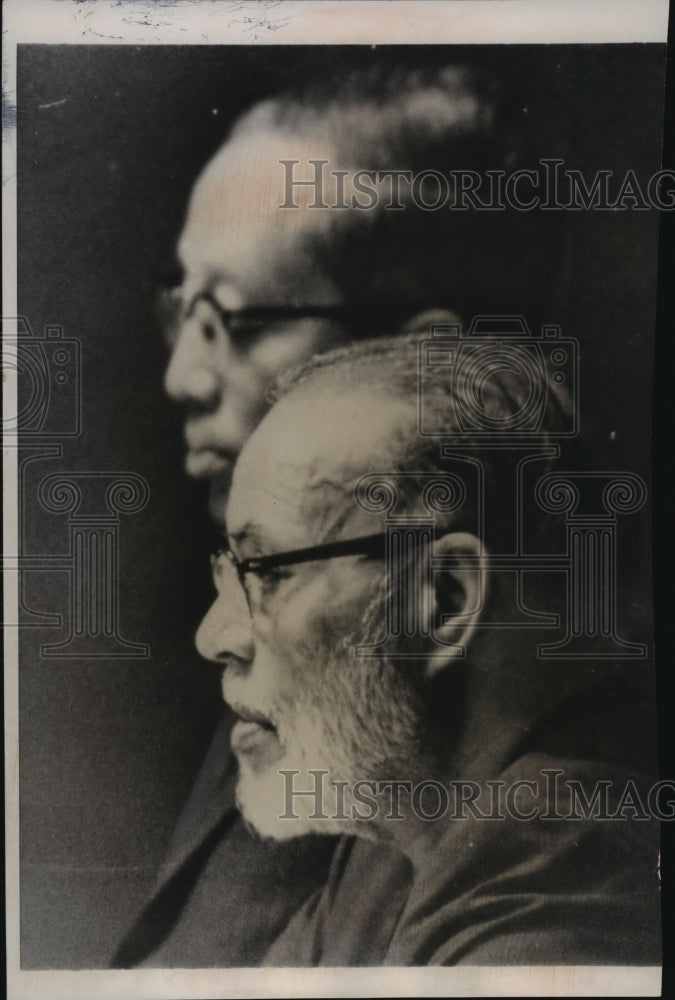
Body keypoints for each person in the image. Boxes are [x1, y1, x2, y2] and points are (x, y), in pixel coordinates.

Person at [113, 60, 564, 967]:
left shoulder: (505, 765)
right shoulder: (311, 621)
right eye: (184, 311)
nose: (181, 378)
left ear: (425, 360)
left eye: (235, 318)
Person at [196, 333, 660, 965]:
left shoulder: (556, 926)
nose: (214, 638)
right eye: (232, 567)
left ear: (441, 601)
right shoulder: (394, 848)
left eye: (265, 570)